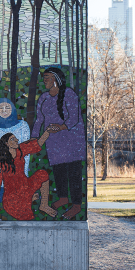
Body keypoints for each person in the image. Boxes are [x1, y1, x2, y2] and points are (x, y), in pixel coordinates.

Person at [32, 67, 86, 219]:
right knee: (59, 170)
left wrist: (61, 127)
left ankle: (76, 205)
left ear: (56, 78)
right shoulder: (43, 98)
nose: (45, 80)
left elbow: (74, 118)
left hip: (72, 140)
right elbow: (39, 120)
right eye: (44, 78)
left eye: (47, 77)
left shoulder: (69, 94)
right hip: (54, 142)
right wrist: (34, 137)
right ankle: (63, 197)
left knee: (73, 172)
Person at [0, 131, 58, 220]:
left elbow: (38, 143)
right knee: (25, 215)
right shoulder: (2, 159)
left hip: (26, 185)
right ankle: (29, 199)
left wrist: (47, 132)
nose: (17, 140)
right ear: (7, 144)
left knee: (42, 174)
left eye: (16, 138)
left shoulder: (20, 149)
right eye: (13, 139)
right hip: (12, 195)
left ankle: (43, 205)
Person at [0, 98, 31, 206]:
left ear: (12, 109)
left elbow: (25, 151)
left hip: (18, 174)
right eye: (1, 108)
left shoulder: (23, 126)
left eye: (7, 107)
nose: (4, 110)